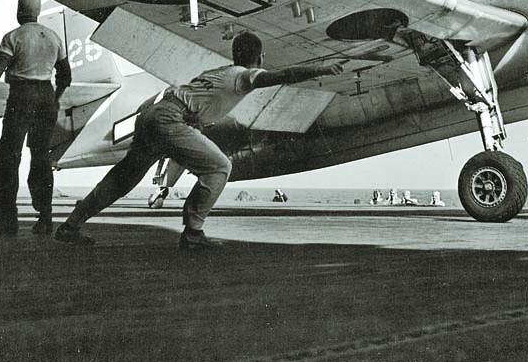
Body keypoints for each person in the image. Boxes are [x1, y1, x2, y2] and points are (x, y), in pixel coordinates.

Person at [54, 31, 344, 251]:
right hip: (171, 119)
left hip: (152, 115)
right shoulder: (244, 76)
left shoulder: (217, 72)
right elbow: (282, 76)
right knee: (219, 167)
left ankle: (72, 225)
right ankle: (193, 233)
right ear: (259, 58)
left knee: (124, 176)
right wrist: (320, 69)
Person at [0, 0, 72, 236]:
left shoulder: (14, 36)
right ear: (37, 12)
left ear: (19, 11)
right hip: (46, 97)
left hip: (21, 97)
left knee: (8, 157)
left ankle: (8, 218)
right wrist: (56, 99)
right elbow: (65, 77)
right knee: (40, 159)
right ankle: (45, 218)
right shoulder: (53, 37)